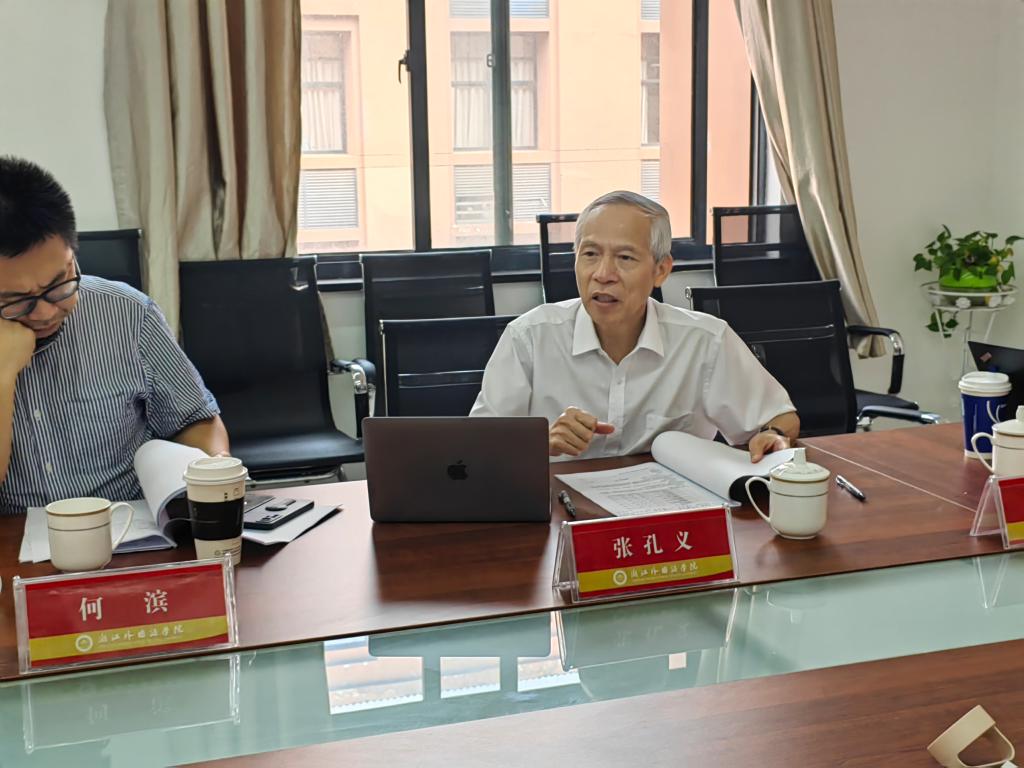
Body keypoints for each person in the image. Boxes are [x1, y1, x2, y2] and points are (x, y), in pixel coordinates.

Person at [470, 190, 799, 460]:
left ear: (661, 270)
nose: (603, 274)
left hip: (670, 511)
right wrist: (540, 443)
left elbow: (779, 416)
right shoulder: (529, 338)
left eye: (625, 258)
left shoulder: (705, 340)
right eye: (590, 254)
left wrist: (772, 435)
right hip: (558, 509)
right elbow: (477, 445)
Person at [0, 156, 229, 515]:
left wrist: (214, 477)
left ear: (73, 253)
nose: (44, 312)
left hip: (128, 527)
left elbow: (195, 420)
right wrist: (3, 375)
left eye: (58, 284)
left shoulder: (129, 313)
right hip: (14, 538)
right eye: (15, 301)